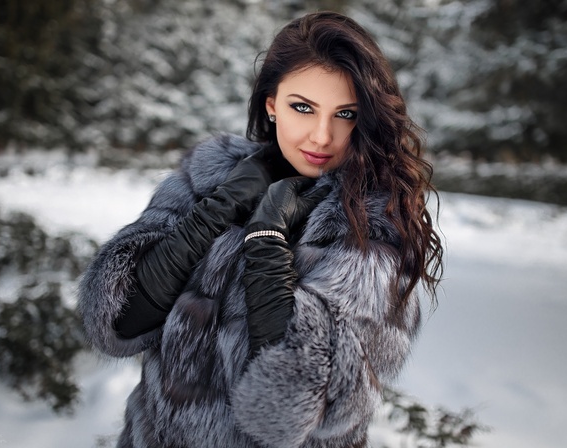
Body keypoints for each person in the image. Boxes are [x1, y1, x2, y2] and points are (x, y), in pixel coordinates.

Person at [78, 10, 443, 448]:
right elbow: (118, 320)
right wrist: (216, 209)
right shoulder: (208, 179)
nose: (322, 136)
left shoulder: (371, 227)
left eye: (344, 113)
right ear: (272, 104)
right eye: (302, 107)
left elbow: (294, 404)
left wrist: (267, 238)